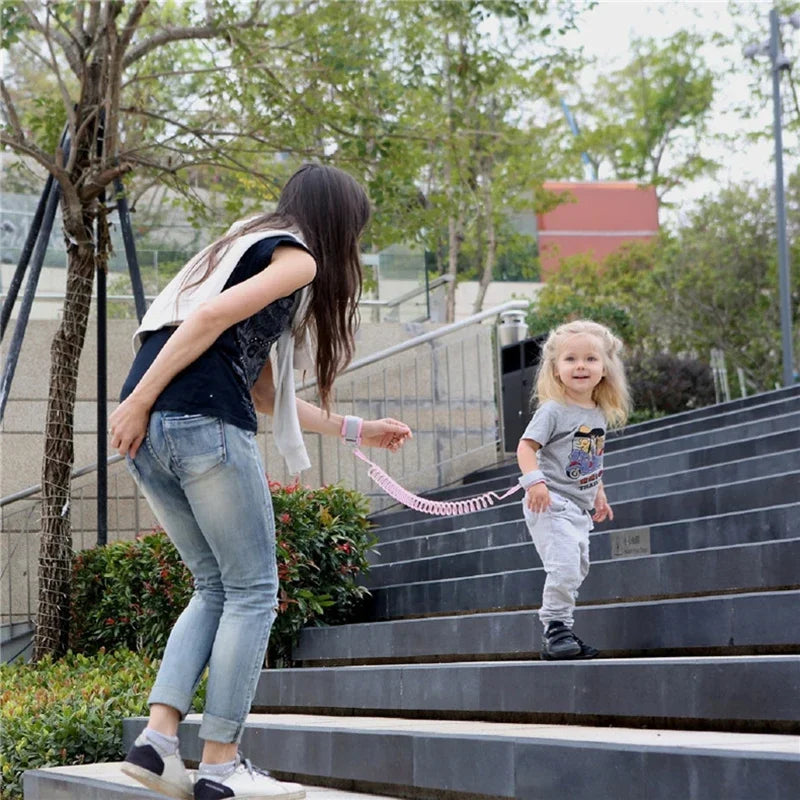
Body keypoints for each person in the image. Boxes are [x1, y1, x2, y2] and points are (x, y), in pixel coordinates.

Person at [110, 163, 412, 800]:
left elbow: (265, 390)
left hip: (154, 434)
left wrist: (357, 429)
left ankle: (157, 742)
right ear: (338, 222)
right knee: (252, 588)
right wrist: (137, 399)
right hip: (191, 421)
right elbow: (208, 322)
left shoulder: (239, 243)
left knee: (214, 584)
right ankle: (221, 764)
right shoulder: (297, 260)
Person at [516, 319, 630, 661]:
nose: (581, 366)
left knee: (577, 568)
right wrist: (535, 482)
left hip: (578, 508)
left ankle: (563, 627)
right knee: (564, 567)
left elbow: (590, 458)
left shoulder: (596, 412)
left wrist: (598, 493)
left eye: (591, 359)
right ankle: (555, 629)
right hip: (550, 501)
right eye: (571, 359)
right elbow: (525, 448)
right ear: (555, 368)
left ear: (606, 368)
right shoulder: (553, 410)